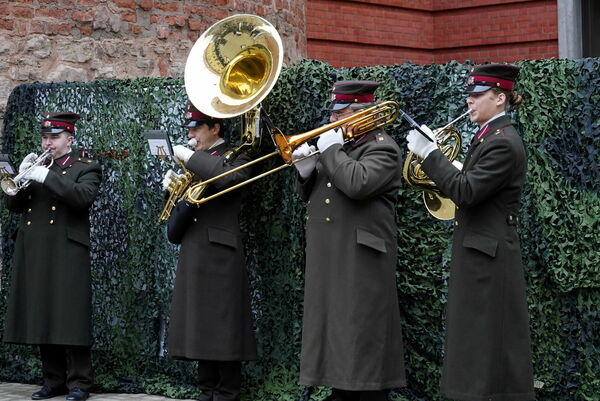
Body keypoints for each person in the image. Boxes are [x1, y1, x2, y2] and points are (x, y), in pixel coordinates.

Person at [406, 64, 534, 401]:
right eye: (469, 95)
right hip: (481, 254)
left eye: (478, 95)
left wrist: (430, 153)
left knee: (486, 348)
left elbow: (465, 192)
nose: (469, 101)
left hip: (488, 260)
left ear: (500, 97)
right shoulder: (490, 136)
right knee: (476, 345)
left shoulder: (503, 143)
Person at [292, 81, 406, 401]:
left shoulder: (382, 147)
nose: (333, 121)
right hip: (331, 251)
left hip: (362, 255)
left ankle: (366, 393)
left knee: (360, 329)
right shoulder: (344, 146)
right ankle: (340, 389)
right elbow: (321, 193)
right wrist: (305, 172)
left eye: (340, 114)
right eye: (333, 114)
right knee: (333, 326)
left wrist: (329, 150)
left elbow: (356, 183)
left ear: (363, 113)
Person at [162, 101, 257, 401]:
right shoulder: (197, 161)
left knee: (224, 325)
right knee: (199, 324)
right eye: (189, 129)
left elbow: (229, 178)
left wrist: (190, 158)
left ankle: (227, 391)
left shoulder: (235, 156)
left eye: (197, 128)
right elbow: (173, 230)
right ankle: (207, 388)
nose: (192, 134)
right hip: (194, 250)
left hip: (221, 252)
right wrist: (172, 192)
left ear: (215, 128)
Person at [3, 112, 102, 401]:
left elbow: (82, 197)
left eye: (55, 137)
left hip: (66, 249)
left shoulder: (86, 166)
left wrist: (46, 176)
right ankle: (53, 380)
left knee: (69, 316)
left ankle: (80, 383)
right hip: (35, 249)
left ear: (69, 138)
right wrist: (18, 179)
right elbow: (14, 205)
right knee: (42, 313)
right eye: (45, 137)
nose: (49, 143)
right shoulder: (37, 165)